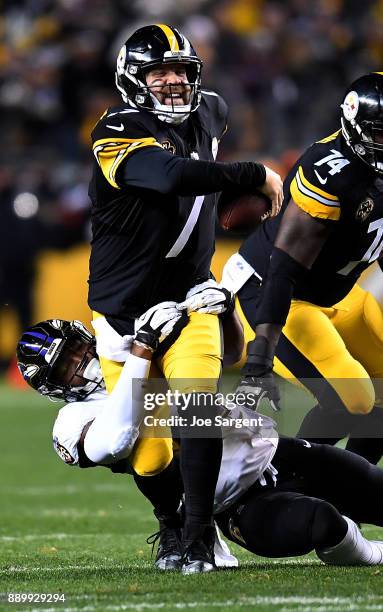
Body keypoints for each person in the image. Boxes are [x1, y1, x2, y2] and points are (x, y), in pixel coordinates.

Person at [87, 23, 283, 573]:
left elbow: (196, 173)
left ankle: (199, 535)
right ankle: (172, 526)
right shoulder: (116, 129)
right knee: (146, 453)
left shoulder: (212, 110)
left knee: (196, 408)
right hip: (124, 313)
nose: (171, 81)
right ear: (133, 78)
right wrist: (251, 174)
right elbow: (168, 175)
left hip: (191, 296)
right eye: (158, 72)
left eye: (179, 71)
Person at [16, 316, 383, 568]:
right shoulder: (74, 419)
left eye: (78, 349)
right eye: (67, 366)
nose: (83, 363)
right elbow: (113, 440)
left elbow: (234, 353)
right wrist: (142, 354)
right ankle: (367, 550)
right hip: (236, 505)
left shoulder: (142, 347)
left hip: (278, 452)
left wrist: (223, 312)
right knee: (325, 523)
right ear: (56, 386)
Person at [222, 72, 383, 461]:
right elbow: (285, 269)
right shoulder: (331, 173)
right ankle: (278, 485)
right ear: (354, 125)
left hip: (336, 293)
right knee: (353, 400)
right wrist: (260, 355)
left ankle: (350, 501)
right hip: (276, 290)